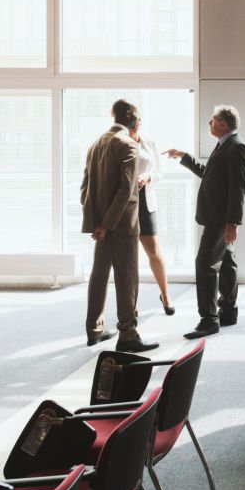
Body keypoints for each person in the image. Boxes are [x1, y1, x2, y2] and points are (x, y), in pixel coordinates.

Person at [165, 105, 245, 339]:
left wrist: (232, 223)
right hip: (218, 217)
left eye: (213, 120)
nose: (209, 123)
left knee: (204, 265)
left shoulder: (237, 147)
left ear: (223, 123)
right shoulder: (224, 145)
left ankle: (209, 320)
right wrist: (185, 157)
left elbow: (238, 189)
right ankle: (228, 312)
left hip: (220, 219)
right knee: (225, 263)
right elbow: (209, 174)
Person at [81, 100, 158, 353]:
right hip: (122, 224)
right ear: (133, 118)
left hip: (102, 224)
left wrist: (96, 223)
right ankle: (128, 334)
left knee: (99, 275)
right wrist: (108, 224)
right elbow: (126, 190)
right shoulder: (128, 145)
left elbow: (86, 188)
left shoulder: (96, 143)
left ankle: (94, 329)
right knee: (127, 279)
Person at [127, 111, 175, 315]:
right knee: (130, 256)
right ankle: (130, 304)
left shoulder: (148, 142)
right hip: (126, 204)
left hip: (146, 202)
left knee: (154, 252)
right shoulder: (118, 143)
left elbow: (160, 172)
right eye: (133, 121)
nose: (137, 124)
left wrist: (148, 177)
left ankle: (165, 296)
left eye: (139, 120)